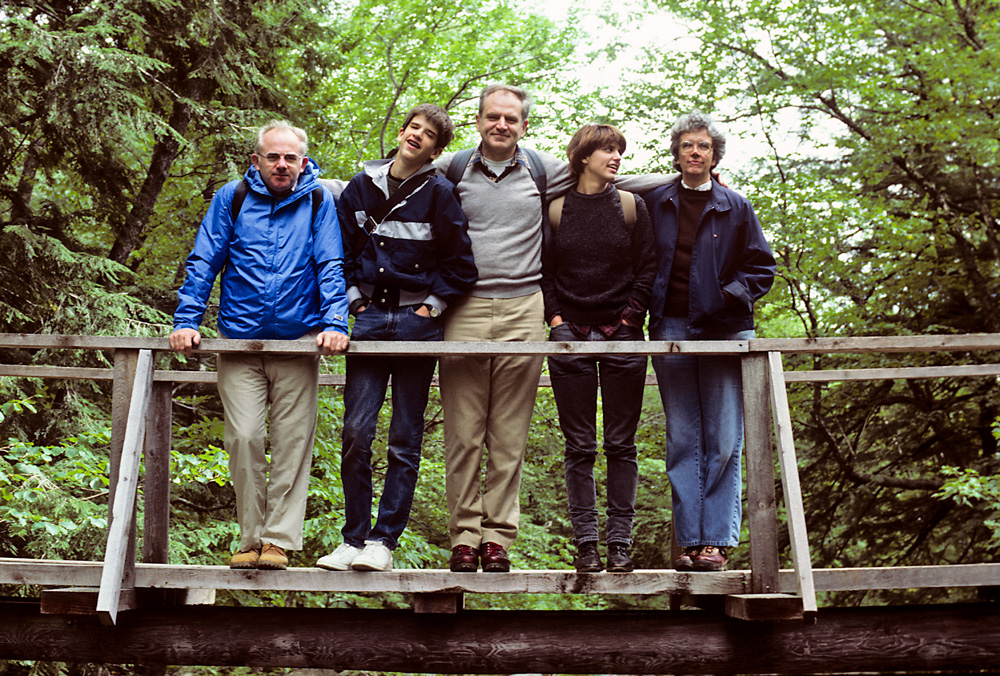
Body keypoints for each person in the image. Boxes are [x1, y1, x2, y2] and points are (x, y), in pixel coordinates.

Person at [434, 84, 673, 572]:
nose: (501, 125)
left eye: (511, 119)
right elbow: (400, 171)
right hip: (466, 307)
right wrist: (319, 177)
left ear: (524, 126)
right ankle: (464, 537)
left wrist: (687, 177)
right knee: (463, 433)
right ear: (478, 120)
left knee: (509, 435)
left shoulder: (541, 169)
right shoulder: (451, 168)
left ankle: (497, 539)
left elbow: (603, 176)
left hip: (525, 306)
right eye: (493, 116)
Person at [170, 120, 350, 571]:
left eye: (290, 157)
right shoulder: (232, 197)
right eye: (273, 156)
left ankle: (278, 542)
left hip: (298, 341)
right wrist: (187, 321)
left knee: (293, 442)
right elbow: (205, 259)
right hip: (239, 340)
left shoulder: (317, 200)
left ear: (303, 162)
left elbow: (330, 263)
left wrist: (335, 322)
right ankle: (250, 538)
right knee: (244, 437)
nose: (282, 164)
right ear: (257, 160)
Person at [315, 104, 477, 572]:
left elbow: (461, 264)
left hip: (416, 323)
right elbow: (340, 252)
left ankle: (383, 542)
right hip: (368, 319)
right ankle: (352, 539)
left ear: (435, 150)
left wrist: (432, 307)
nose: (417, 136)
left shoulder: (440, 193)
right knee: (355, 432)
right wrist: (354, 302)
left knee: (404, 437)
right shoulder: (361, 186)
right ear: (402, 132)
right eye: (414, 128)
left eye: (429, 135)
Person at [642, 111, 775, 572]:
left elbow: (762, 268)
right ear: (676, 154)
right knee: (683, 437)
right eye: (687, 145)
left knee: (722, 438)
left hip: (724, 329)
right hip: (670, 326)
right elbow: (608, 186)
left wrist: (725, 297)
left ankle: (715, 542)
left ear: (715, 155)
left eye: (703, 146)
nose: (695, 152)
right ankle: (689, 540)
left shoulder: (735, 206)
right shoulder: (656, 201)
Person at [541, 124, 656, 573]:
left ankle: (619, 544)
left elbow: (647, 267)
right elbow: (544, 271)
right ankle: (586, 545)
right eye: (608, 149)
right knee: (580, 446)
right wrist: (556, 321)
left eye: (619, 150)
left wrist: (630, 318)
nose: (617, 157)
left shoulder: (631, 205)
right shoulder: (556, 209)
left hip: (622, 335)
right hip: (569, 335)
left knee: (621, 444)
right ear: (583, 156)